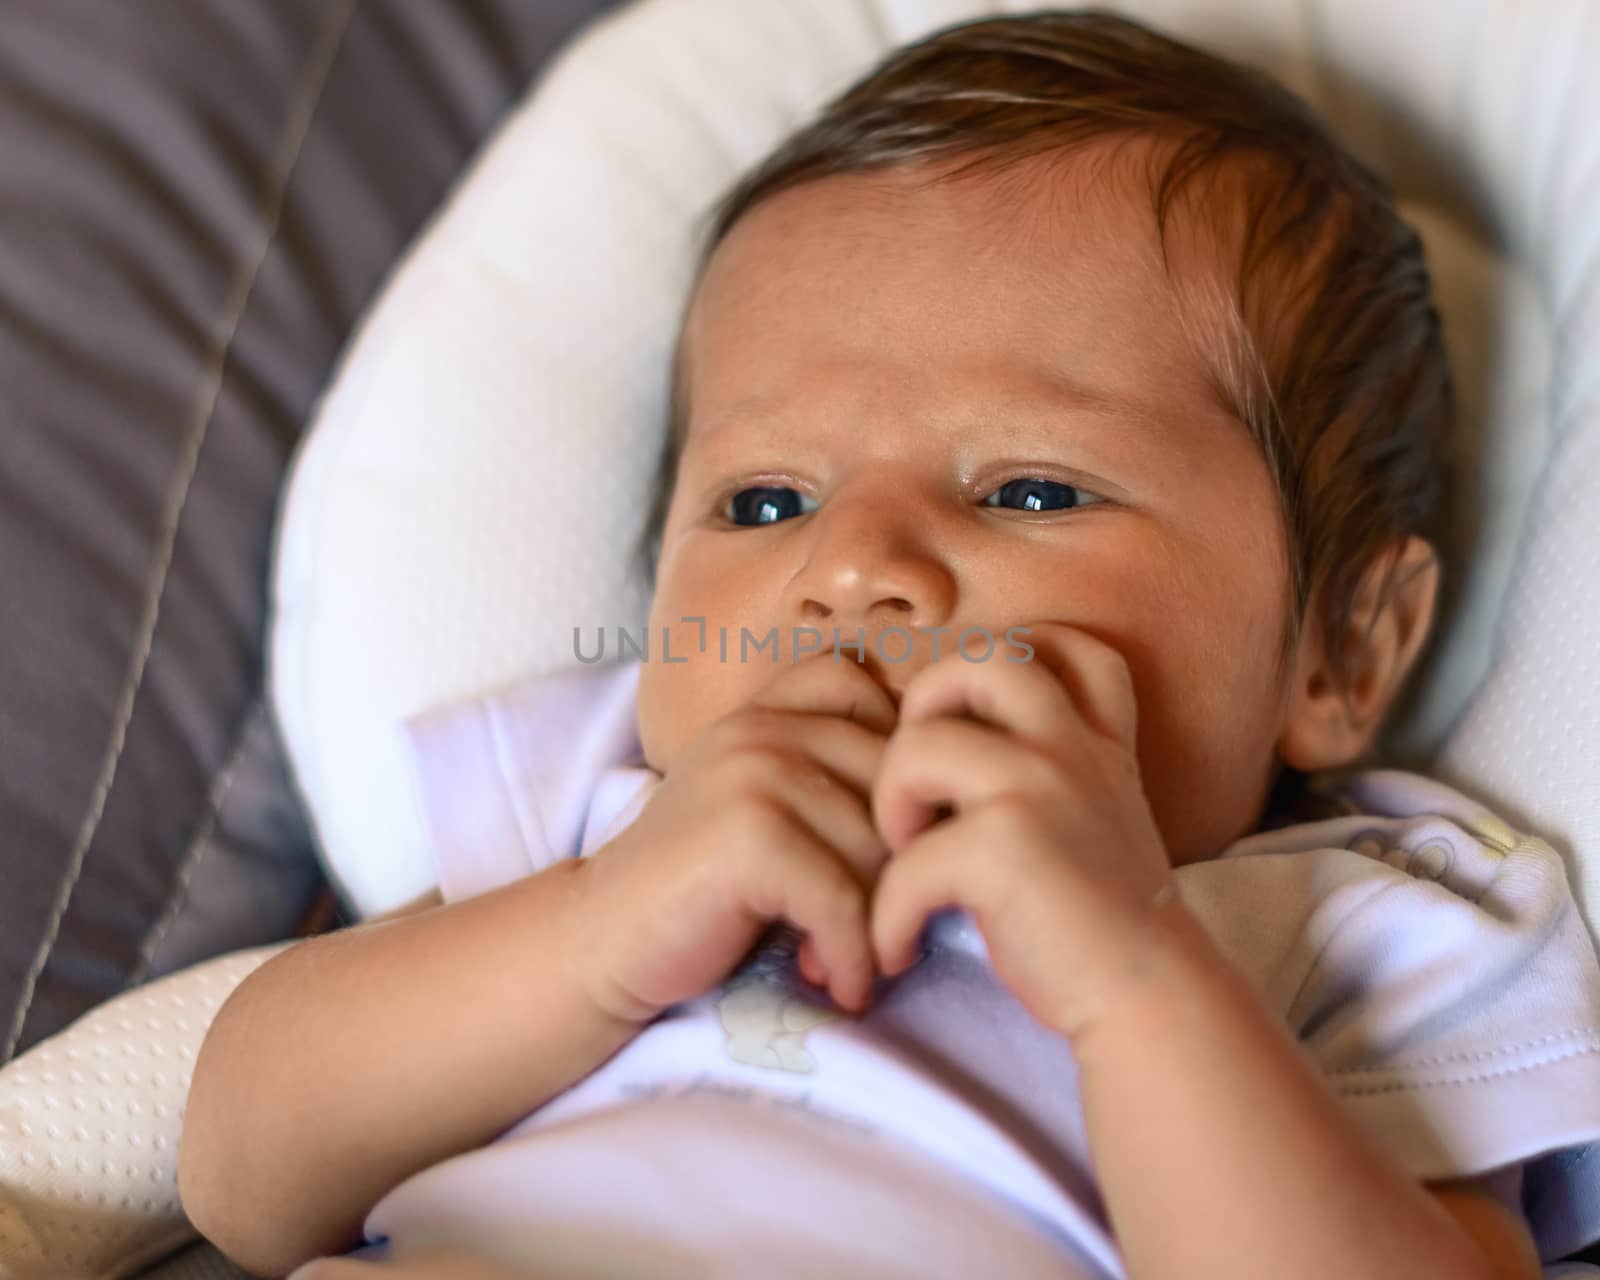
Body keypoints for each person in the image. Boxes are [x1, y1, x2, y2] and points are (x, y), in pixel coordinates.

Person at [178, 11, 1600, 1278]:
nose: (854, 563)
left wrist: (1134, 972)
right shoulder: (597, 803)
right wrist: (601, 933)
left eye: (1030, 490)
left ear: (1341, 653)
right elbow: (243, 1173)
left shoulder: (1370, 928)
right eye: (766, 500)